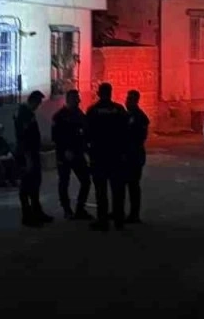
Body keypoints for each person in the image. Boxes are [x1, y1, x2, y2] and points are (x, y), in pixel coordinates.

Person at [85, 82, 128, 231]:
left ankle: (102, 220)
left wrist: (89, 152)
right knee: (118, 190)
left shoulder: (93, 110)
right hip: (116, 156)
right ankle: (119, 220)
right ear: (110, 93)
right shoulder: (119, 110)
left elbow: (87, 134)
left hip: (99, 156)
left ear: (98, 93)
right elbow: (126, 133)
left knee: (101, 191)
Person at [51, 89, 92, 220]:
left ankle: (80, 209)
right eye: (76, 99)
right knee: (64, 181)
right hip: (64, 155)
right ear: (69, 100)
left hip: (77, 153)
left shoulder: (79, 114)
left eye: (78, 98)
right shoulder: (59, 116)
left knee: (86, 181)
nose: (78, 101)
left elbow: (85, 134)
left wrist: (86, 150)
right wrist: (65, 150)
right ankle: (67, 209)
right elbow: (56, 137)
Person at [14, 91, 53, 226]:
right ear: (33, 101)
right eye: (38, 103)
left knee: (35, 184)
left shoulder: (28, 113)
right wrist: (27, 158)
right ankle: (27, 216)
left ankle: (37, 212)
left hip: (31, 153)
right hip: (26, 155)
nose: (39, 106)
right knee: (27, 185)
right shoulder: (23, 114)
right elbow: (23, 138)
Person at [122, 89, 150, 224]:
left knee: (133, 185)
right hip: (128, 155)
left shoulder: (139, 117)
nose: (127, 102)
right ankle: (121, 211)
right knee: (124, 184)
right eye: (127, 99)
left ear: (136, 101)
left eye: (130, 99)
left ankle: (134, 214)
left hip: (134, 155)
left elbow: (139, 138)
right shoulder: (128, 115)